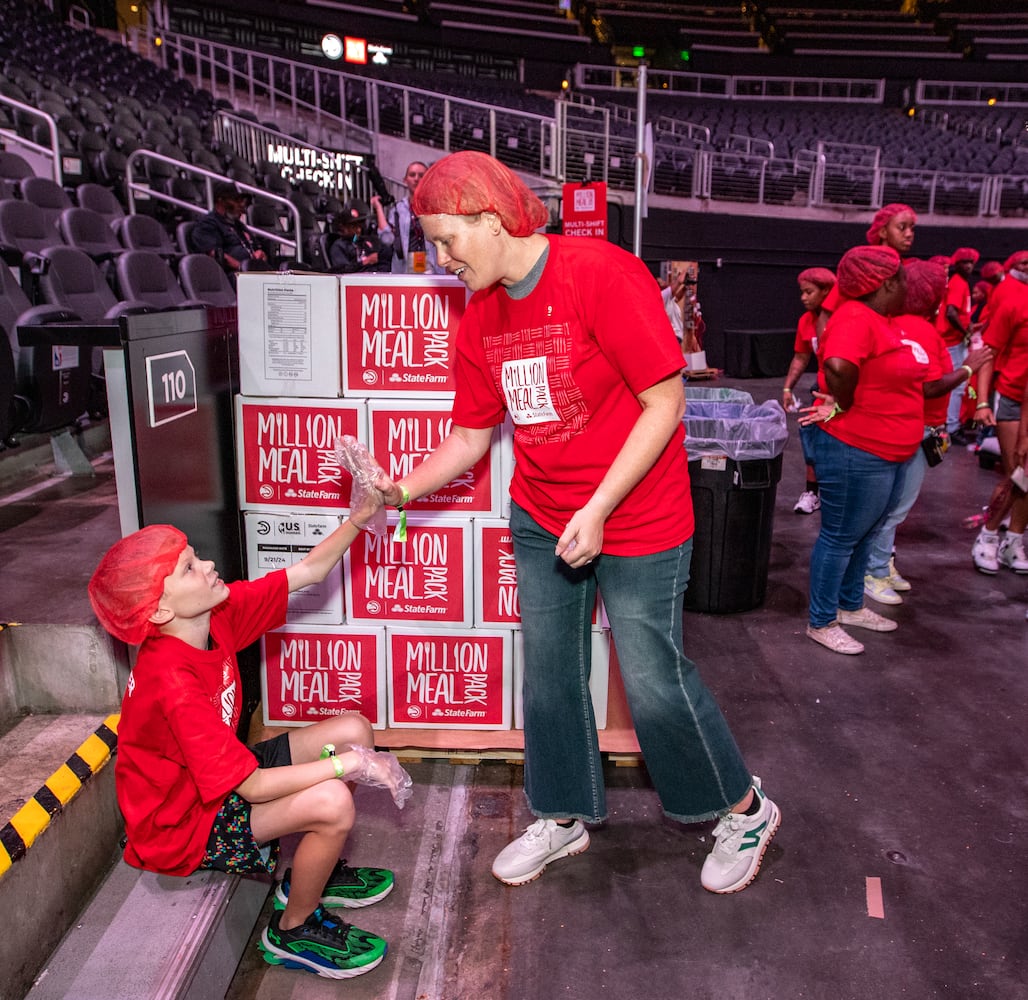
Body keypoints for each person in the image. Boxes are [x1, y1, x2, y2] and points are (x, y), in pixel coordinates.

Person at [372, 149, 779, 895]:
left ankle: (742, 809)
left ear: (489, 221)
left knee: (654, 676)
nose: (439, 259)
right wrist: (398, 490)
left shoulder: (600, 274)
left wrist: (598, 507)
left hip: (637, 515)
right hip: (543, 512)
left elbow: (665, 404)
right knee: (552, 675)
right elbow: (469, 438)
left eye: (446, 240)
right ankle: (560, 815)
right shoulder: (480, 319)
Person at [87, 498, 413, 981]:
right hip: (185, 825)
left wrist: (357, 520)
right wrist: (353, 767)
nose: (209, 564)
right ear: (159, 610)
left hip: (218, 782)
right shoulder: (171, 683)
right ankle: (293, 928)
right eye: (190, 567)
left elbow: (307, 571)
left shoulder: (209, 619)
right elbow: (255, 788)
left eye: (196, 556)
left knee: (353, 731)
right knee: (334, 800)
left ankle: (311, 873)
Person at [799, 245, 925, 655]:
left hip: (883, 450)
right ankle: (822, 620)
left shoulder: (874, 319)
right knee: (839, 537)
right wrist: (846, 402)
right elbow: (837, 366)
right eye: (904, 277)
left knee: (864, 534)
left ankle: (850, 606)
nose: (908, 285)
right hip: (856, 448)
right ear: (887, 282)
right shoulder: (855, 317)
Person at [862, 260, 993, 605]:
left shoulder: (900, 326)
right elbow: (930, 386)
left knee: (891, 506)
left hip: (909, 426)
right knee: (894, 508)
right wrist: (969, 367)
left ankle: (879, 565)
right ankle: (873, 571)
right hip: (914, 428)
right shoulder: (920, 331)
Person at [971, 252, 1028, 575]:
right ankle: (989, 534)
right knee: (1017, 475)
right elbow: (987, 354)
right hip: (1011, 397)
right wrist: (981, 401)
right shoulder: (1014, 302)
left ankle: (1014, 540)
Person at [814, 203, 917, 340]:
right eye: (902, 227)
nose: (909, 234)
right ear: (883, 232)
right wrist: (826, 354)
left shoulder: (909, 268)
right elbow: (825, 316)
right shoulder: (862, 266)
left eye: (912, 228)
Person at [783, 267, 836, 514]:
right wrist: (787, 387)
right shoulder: (806, 321)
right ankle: (812, 493)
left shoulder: (843, 317)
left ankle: (837, 494)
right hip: (822, 389)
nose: (803, 297)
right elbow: (801, 358)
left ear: (826, 291)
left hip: (846, 390)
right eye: (801, 292)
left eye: (809, 292)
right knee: (809, 430)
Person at [936, 247, 979, 443]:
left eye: (971, 262)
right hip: (952, 339)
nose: (968, 266)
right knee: (957, 384)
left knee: (958, 384)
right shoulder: (958, 283)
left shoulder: (961, 283)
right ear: (957, 264)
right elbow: (951, 312)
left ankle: (951, 424)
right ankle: (952, 427)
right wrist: (965, 332)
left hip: (954, 339)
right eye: (964, 262)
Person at [191, 181, 270, 281]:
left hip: (251, 272)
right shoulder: (207, 224)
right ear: (221, 200)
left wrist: (261, 254)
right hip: (230, 276)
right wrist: (243, 268)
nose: (241, 205)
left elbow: (255, 248)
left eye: (242, 201)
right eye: (236, 200)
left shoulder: (237, 225)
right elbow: (216, 255)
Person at [379, 161, 445, 275]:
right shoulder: (397, 210)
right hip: (404, 271)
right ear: (405, 180)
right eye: (412, 175)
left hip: (434, 270)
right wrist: (378, 208)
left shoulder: (437, 208)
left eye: (421, 175)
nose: (416, 179)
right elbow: (387, 239)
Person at [327, 200, 390, 274]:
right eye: (353, 226)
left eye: (359, 226)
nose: (358, 229)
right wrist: (366, 261)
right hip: (353, 281)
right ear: (343, 227)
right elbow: (342, 271)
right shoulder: (338, 246)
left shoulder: (362, 241)